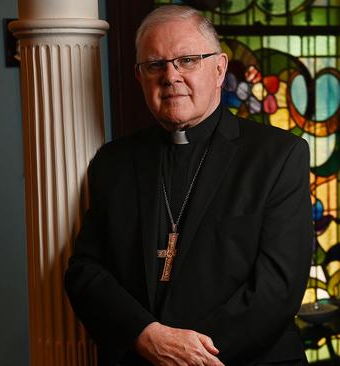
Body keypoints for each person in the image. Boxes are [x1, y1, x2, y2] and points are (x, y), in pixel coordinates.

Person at [65, 5, 313, 365]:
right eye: (155, 65)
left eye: (188, 60)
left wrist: (190, 356)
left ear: (219, 68)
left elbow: (278, 286)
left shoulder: (278, 156)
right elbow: (85, 271)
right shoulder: (113, 162)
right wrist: (145, 335)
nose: (171, 76)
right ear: (140, 77)